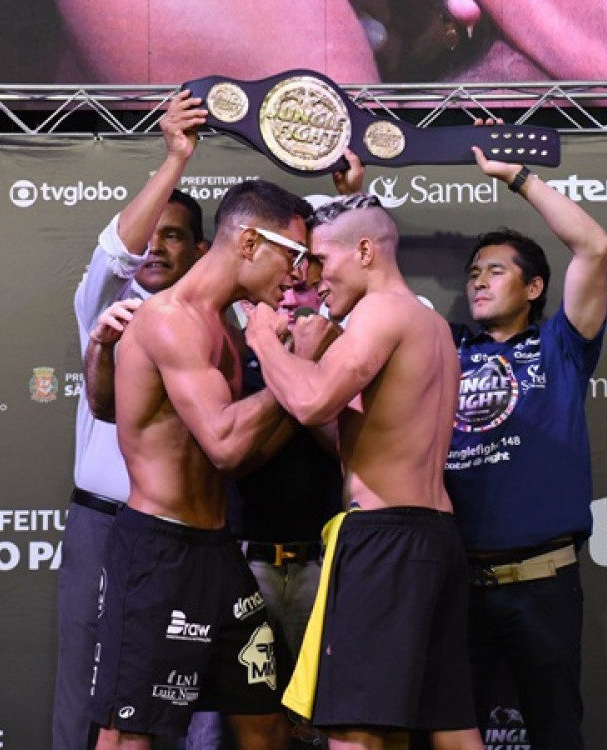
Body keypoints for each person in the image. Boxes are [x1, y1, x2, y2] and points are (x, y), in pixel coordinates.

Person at [244, 194, 483, 750]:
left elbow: (311, 404)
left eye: (322, 260)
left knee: (353, 728)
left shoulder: (379, 313)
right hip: (433, 536)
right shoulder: (431, 325)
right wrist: (307, 362)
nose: (313, 277)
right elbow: (358, 441)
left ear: (366, 251)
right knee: (450, 727)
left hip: (385, 543)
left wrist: (261, 340)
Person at [89, 176, 316, 750]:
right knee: (129, 734)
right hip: (159, 553)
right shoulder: (172, 320)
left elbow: (236, 461)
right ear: (249, 242)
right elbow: (224, 443)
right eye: (292, 255)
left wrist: (304, 386)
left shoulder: (229, 328)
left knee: (264, 721)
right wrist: (294, 366)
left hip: (217, 550)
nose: (297, 273)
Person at [443, 144, 607, 750]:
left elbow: (594, 247)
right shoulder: (444, 348)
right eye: (473, 272)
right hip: (456, 583)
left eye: (496, 271)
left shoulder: (561, 345)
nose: (478, 280)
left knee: (555, 732)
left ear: (534, 286)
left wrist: (516, 176)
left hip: (543, 584)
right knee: (447, 734)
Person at [55, 89, 209, 750]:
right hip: (104, 523)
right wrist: (174, 160)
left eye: (173, 236)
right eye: (151, 233)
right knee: (85, 686)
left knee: (181, 692)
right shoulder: (105, 307)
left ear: (201, 250)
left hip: (185, 531)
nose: (155, 246)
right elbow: (115, 249)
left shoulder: (221, 322)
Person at [229, 265, 344, 750]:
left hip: (322, 565)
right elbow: (237, 458)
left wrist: (306, 383)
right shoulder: (240, 360)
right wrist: (298, 384)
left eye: (305, 288)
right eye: (285, 289)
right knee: (255, 719)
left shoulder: (342, 356)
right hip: (249, 563)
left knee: (327, 716)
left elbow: (347, 450)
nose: (294, 299)